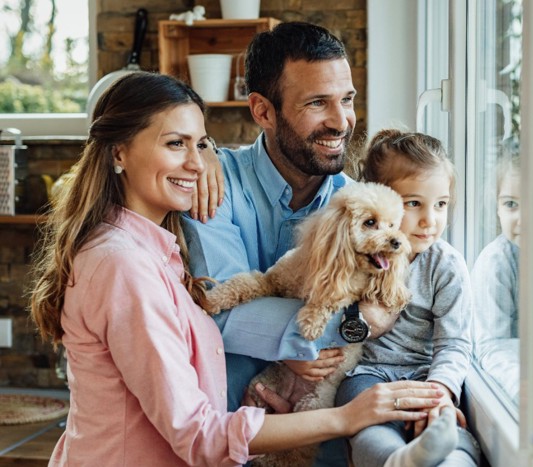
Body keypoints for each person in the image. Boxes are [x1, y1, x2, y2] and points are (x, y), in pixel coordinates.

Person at [27, 71, 447, 466]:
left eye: (201, 145)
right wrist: (347, 417)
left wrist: (269, 417)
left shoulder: (157, 248)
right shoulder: (123, 264)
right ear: (119, 152)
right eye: (176, 144)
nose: (196, 164)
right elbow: (195, 433)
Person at [182, 22, 368, 414]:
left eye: (347, 99)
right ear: (263, 111)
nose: (340, 121)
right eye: (317, 103)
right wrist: (337, 329)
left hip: (320, 428)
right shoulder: (215, 184)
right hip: (222, 426)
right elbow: (219, 308)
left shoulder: (358, 206)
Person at [334, 129, 480, 467]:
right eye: (413, 204)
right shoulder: (361, 256)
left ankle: (451, 460)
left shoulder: (445, 265)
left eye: (440, 204)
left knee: (451, 431)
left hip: (424, 375)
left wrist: (440, 391)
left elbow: (455, 342)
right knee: (368, 430)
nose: (430, 220)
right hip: (367, 374)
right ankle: (397, 460)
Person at [471, 151, 521, 402]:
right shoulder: (497, 262)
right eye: (511, 204)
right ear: (497, 208)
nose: (523, 219)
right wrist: (523, 390)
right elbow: (492, 346)